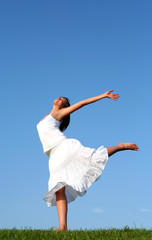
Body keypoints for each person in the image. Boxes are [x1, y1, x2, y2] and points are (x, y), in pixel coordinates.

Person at [37, 90, 139, 232]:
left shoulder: (57, 115)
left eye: (64, 102)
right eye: (61, 98)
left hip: (64, 147)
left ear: (64, 108)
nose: (60, 98)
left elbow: (82, 103)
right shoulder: (47, 116)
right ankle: (63, 226)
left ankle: (120, 147)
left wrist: (103, 96)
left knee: (93, 157)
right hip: (53, 155)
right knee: (58, 188)